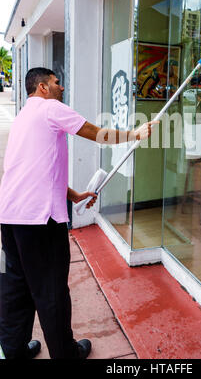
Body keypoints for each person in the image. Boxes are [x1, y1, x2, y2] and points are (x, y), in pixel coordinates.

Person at [0, 67, 157, 360]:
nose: (61, 88)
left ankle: (15, 350)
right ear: (43, 87)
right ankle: (65, 354)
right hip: (39, 220)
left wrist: (72, 194)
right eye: (57, 83)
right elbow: (96, 133)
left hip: (11, 217)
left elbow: (35, 168)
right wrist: (135, 133)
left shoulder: (23, 117)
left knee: (17, 286)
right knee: (51, 290)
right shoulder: (50, 108)